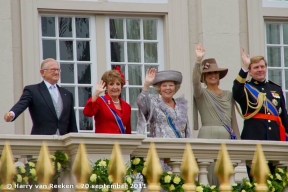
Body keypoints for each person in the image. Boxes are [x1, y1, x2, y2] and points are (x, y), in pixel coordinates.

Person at [232, 47, 288, 181]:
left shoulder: (276, 89)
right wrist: (243, 68)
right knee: (256, 180)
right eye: (256, 67)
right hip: (254, 137)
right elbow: (236, 91)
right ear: (250, 72)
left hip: (275, 138)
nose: (260, 70)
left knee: (276, 180)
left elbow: (284, 116)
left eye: (262, 66)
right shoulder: (245, 88)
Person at [193, 44, 240, 186]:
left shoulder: (228, 94)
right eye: (208, 73)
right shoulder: (201, 94)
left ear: (219, 75)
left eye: (215, 73)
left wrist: (237, 140)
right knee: (207, 173)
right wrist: (198, 61)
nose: (212, 75)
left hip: (226, 134)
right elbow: (195, 83)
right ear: (204, 77)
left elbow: (233, 119)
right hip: (207, 134)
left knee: (225, 174)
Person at [3, 58, 78, 135]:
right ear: (42, 72)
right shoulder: (33, 90)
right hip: (41, 140)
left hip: (63, 142)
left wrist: (75, 141)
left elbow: (72, 122)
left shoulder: (67, 94)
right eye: (53, 70)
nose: (56, 72)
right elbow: (22, 104)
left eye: (58, 70)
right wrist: (12, 114)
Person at [137, 68, 191, 138]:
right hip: (160, 147)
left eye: (171, 85)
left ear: (175, 88)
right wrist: (147, 84)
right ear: (159, 88)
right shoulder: (154, 104)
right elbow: (142, 103)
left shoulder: (181, 107)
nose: (168, 88)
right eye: (164, 85)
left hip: (181, 147)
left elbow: (187, 131)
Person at [83, 68, 131, 134]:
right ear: (105, 87)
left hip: (121, 143)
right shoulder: (100, 101)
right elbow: (87, 112)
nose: (115, 87)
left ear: (121, 87)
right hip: (104, 143)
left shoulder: (127, 106)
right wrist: (96, 93)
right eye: (111, 84)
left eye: (118, 84)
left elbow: (128, 131)